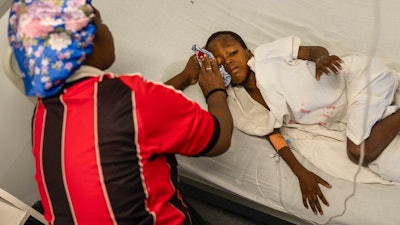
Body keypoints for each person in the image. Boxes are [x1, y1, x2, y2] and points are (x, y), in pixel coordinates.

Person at [8, 1, 233, 224]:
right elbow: (220, 139)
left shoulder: (42, 115)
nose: (106, 28)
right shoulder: (133, 98)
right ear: (89, 38)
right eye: (101, 21)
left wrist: (185, 75)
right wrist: (215, 90)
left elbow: (142, 114)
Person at [197, 31, 400, 215]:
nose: (229, 62)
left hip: (357, 82)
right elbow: (272, 133)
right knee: (392, 167)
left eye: (232, 53)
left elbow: (313, 51)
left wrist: (321, 59)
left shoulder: (268, 56)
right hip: (342, 118)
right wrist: (301, 173)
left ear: (248, 53)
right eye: (221, 63)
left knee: (358, 151)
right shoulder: (241, 103)